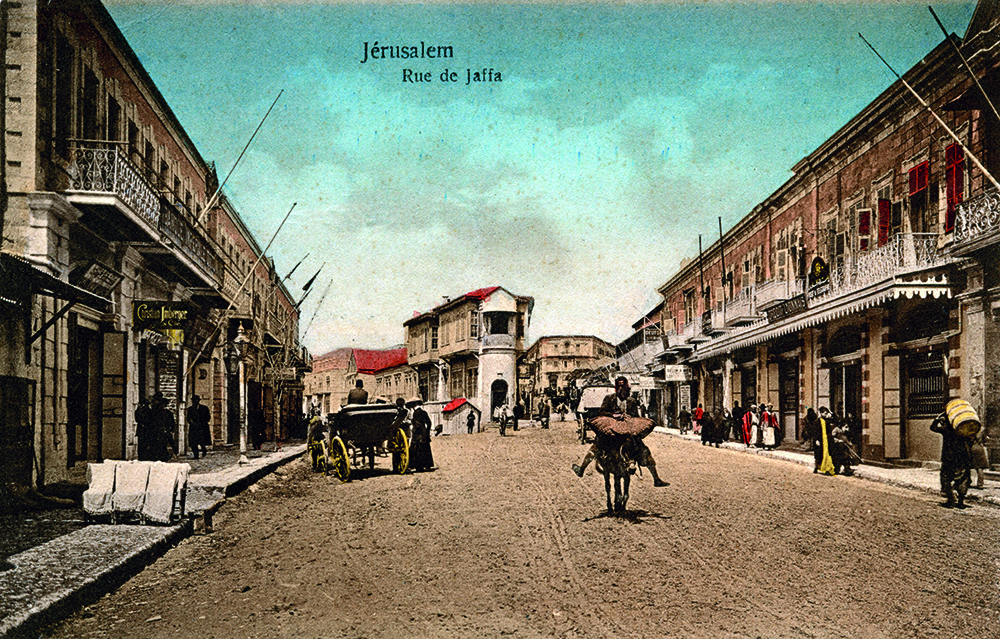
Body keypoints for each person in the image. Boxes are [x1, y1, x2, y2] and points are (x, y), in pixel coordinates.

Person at [572, 376, 668, 487]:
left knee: (644, 450)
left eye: (624, 387)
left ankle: (656, 478)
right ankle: (582, 468)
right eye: (620, 387)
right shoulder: (609, 398)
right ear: (616, 388)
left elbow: (636, 416)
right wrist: (614, 415)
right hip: (611, 431)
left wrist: (629, 418)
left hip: (628, 431)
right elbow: (602, 412)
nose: (622, 389)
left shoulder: (632, 401)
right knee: (597, 445)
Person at [931, 410, 973, 508]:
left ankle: (950, 499)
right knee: (962, 478)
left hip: (948, 458)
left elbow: (933, 427)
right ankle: (961, 501)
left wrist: (937, 419)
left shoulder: (946, 430)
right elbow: (971, 439)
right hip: (962, 458)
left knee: (946, 478)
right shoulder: (963, 430)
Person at [146, 392, 177, 462]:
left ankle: (164, 456)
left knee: (163, 445)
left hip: (163, 432)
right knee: (156, 446)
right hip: (155, 432)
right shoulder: (154, 412)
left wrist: (169, 430)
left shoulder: (168, 413)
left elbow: (172, 423)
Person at [408, 399, 435, 472]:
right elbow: (429, 423)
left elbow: (416, 424)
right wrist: (427, 432)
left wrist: (414, 430)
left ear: (414, 406)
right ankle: (427, 464)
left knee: (416, 449)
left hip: (417, 432)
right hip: (423, 432)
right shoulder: (424, 412)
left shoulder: (415, 413)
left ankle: (418, 466)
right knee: (425, 448)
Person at [186, 394, 211, 459]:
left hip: (202, 427)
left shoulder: (204, 408)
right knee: (193, 442)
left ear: (198, 401)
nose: (195, 401)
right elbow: (188, 418)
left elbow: (208, 417)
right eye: (193, 400)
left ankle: (204, 449)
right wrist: (192, 423)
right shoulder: (190, 409)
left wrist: (202, 423)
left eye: (196, 400)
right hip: (194, 427)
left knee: (202, 441)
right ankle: (196, 455)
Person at [814, 407, 837, 476]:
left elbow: (836, 420)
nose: (826, 414)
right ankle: (816, 467)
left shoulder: (828, 421)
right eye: (825, 413)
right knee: (819, 455)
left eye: (827, 413)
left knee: (827, 454)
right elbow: (815, 432)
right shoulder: (817, 422)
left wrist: (832, 414)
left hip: (827, 440)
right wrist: (816, 440)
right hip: (821, 440)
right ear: (821, 413)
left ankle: (827, 469)